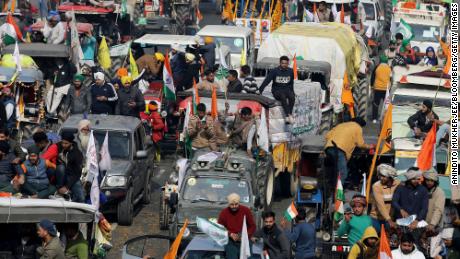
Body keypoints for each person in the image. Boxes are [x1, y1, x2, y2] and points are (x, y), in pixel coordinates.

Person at [324, 117, 374, 187]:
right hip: (339, 150)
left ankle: (331, 188)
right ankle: (338, 194)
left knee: (333, 170)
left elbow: (327, 136)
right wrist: (369, 146)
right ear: (361, 124)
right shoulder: (357, 127)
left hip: (329, 148)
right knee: (343, 173)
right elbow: (360, 144)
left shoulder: (341, 125)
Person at [218, 193, 256, 259]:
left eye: (236, 204)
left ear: (239, 203)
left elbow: (252, 226)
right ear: (228, 204)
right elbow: (220, 228)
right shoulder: (224, 213)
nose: (234, 206)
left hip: (245, 240)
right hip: (231, 242)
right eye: (232, 205)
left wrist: (245, 235)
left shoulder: (246, 210)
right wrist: (230, 234)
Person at [259, 56, 296, 123]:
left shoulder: (290, 71)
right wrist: (260, 90)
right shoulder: (274, 71)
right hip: (277, 90)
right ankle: (288, 114)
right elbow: (267, 81)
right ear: (280, 63)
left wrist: (292, 92)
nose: (284, 65)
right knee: (283, 96)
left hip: (287, 89)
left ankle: (289, 115)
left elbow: (291, 83)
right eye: (282, 63)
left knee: (292, 97)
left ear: (288, 64)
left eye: (286, 63)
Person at [370, 164, 400, 233]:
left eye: (384, 176)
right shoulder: (376, 186)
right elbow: (380, 205)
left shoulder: (398, 184)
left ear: (390, 177)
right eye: (380, 175)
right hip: (376, 218)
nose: (381, 178)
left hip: (391, 218)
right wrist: (389, 220)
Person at [55, 132, 84, 202]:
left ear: (71, 143)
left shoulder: (77, 153)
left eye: (66, 143)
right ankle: (59, 190)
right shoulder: (58, 147)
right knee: (61, 167)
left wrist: (67, 187)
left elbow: (77, 173)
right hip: (59, 174)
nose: (63, 145)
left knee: (80, 197)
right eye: (62, 143)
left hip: (72, 176)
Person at [423, 168, 445, 233]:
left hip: (434, 227)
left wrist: (432, 224)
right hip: (420, 224)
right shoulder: (421, 189)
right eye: (427, 180)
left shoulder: (440, 192)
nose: (429, 182)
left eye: (431, 180)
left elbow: (438, 210)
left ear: (435, 181)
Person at [372, 55, 391, 123]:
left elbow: (373, 77)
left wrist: (372, 86)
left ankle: (374, 118)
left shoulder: (377, 67)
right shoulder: (389, 68)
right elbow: (391, 78)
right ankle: (386, 118)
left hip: (377, 88)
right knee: (386, 104)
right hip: (386, 89)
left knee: (376, 104)